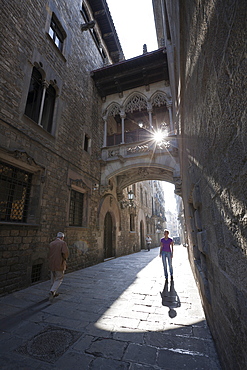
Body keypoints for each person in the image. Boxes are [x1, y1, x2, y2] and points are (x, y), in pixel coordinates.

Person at [48, 232, 69, 302]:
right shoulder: (63, 243)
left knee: (53, 278)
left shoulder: (51, 243)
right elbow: (65, 253)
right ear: (62, 237)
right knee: (59, 278)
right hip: (59, 263)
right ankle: (52, 291)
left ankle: (53, 292)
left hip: (52, 263)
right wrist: (65, 259)